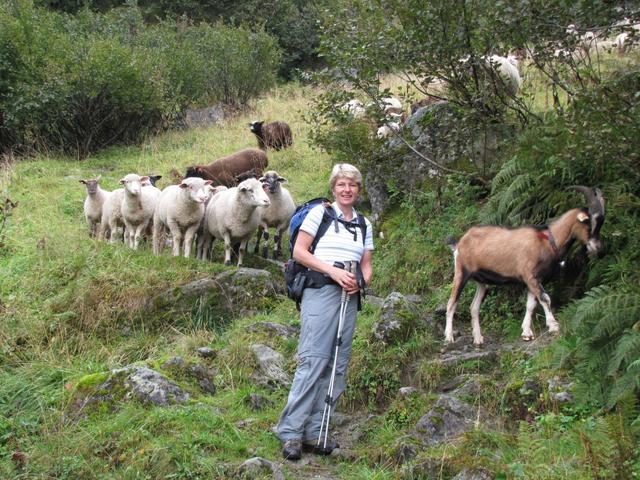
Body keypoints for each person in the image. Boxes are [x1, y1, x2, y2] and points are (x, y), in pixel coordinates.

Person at [276, 163, 374, 460]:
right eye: (342, 184)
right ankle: (291, 432)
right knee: (314, 359)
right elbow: (300, 252)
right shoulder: (320, 214)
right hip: (320, 291)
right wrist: (333, 272)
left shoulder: (364, 224)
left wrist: (360, 281)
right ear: (334, 187)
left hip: (349, 296)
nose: (347, 190)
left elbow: (366, 265)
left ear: (358, 190)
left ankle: (317, 431)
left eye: (352, 185)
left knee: (337, 364)